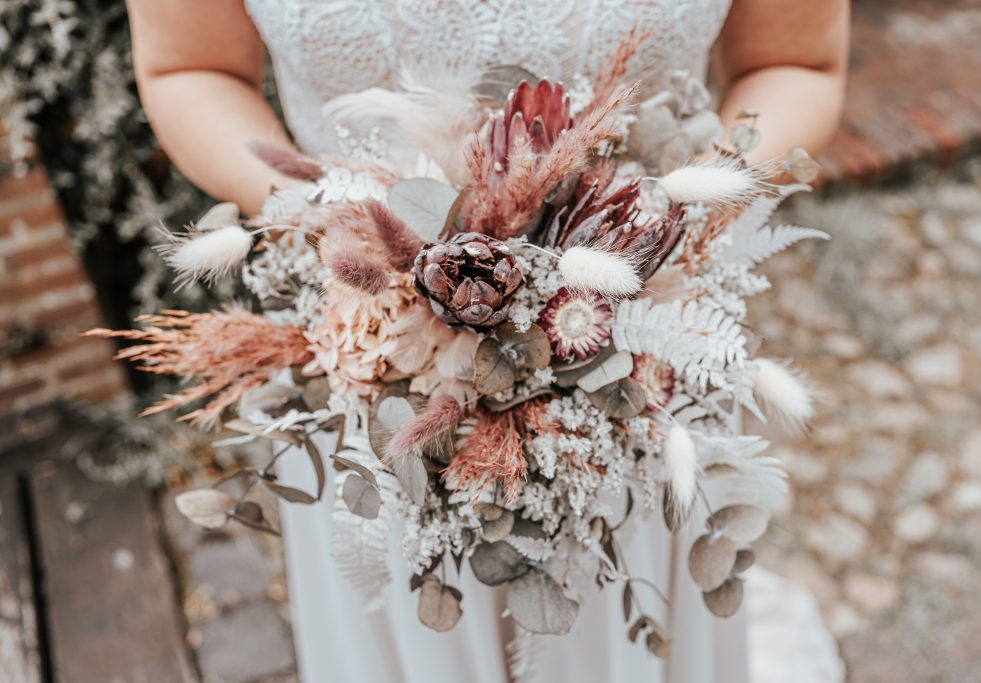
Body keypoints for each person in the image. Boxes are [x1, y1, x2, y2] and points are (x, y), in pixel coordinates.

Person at [127, 2, 850, 681]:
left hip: (640, 352)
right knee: (408, 617)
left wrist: (662, 221)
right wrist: (328, 217)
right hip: (369, 363)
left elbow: (796, 62)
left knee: (627, 610)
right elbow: (190, 67)